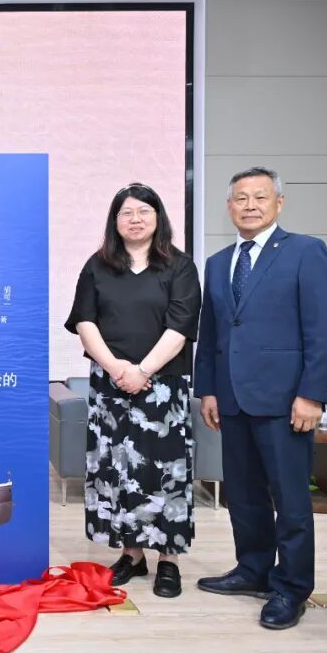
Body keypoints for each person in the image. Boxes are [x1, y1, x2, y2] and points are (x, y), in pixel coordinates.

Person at [195, 166, 327, 630]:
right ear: (229, 206)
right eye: (241, 198)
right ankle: (253, 569)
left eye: (260, 197)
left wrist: (312, 395)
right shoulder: (218, 262)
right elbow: (211, 332)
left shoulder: (305, 251)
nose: (250, 205)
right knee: (243, 495)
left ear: (279, 202)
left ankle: (291, 588)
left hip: (285, 402)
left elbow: (325, 331)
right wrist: (208, 389)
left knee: (291, 500)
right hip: (232, 399)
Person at [65, 183, 201, 598]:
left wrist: (142, 370)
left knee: (164, 473)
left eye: (144, 211)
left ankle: (168, 561)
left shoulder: (179, 266)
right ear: (115, 221)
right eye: (126, 212)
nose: (135, 219)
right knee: (118, 470)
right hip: (111, 387)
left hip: (163, 389)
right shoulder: (98, 265)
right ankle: (132, 554)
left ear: (158, 218)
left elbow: (181, 327)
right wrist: (116, 368)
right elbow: (85, 322)